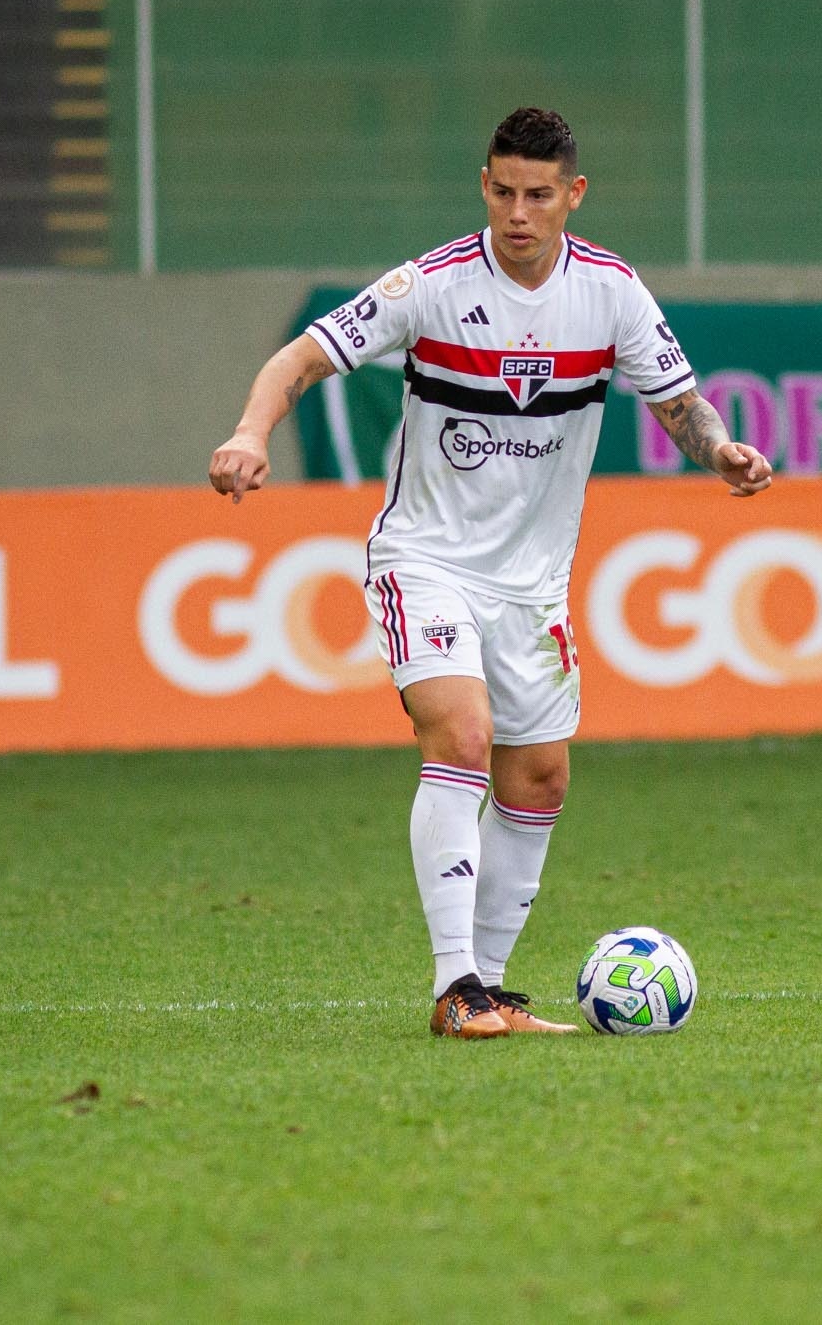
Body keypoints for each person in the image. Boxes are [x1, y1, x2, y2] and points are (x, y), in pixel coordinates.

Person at [211, 107, 771, 1038]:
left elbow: (680, 404)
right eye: (504, 191)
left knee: (540, 778)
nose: (519, 212)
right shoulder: (427, 286)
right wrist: (247, 430)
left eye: (539, 195)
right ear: (485, 185)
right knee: (462, 733)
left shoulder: (613, 294)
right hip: (424, 560)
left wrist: (719, 453)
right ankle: (454, 983)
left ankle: (493, 991)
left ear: (572, 196)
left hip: (534, 587)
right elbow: (300, 358)